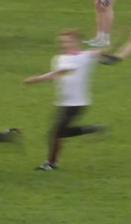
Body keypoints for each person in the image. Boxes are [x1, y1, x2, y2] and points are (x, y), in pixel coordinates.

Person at [24, 29, 103, 171]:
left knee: (56, 133)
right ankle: (90, 129)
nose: (65, 44)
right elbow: (60, 73)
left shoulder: (85, 57)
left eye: (69, 41)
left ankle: (51, 163)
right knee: (60, 132)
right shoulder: (59, 58)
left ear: (78, 42)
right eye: (63, 42)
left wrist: (37, 79)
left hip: (78, 103)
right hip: (62, 102)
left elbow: (64, 71)